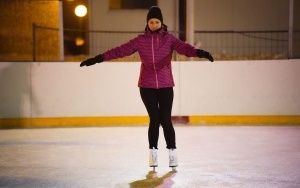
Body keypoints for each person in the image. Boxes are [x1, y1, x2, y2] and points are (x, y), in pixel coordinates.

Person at [80, 6, 214, 170]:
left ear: (161, 23)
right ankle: (153, 153)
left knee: (166, 119)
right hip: (146, 85)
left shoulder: (169, 39)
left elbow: (185, 48)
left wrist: (201, 53)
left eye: (157, 22)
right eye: (151, 22)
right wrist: (97, 58)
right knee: (154, 119)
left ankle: (172, 153)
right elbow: (120, 51)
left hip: (165, 84)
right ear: (147, 23)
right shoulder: (140, 40)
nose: (154, 25)